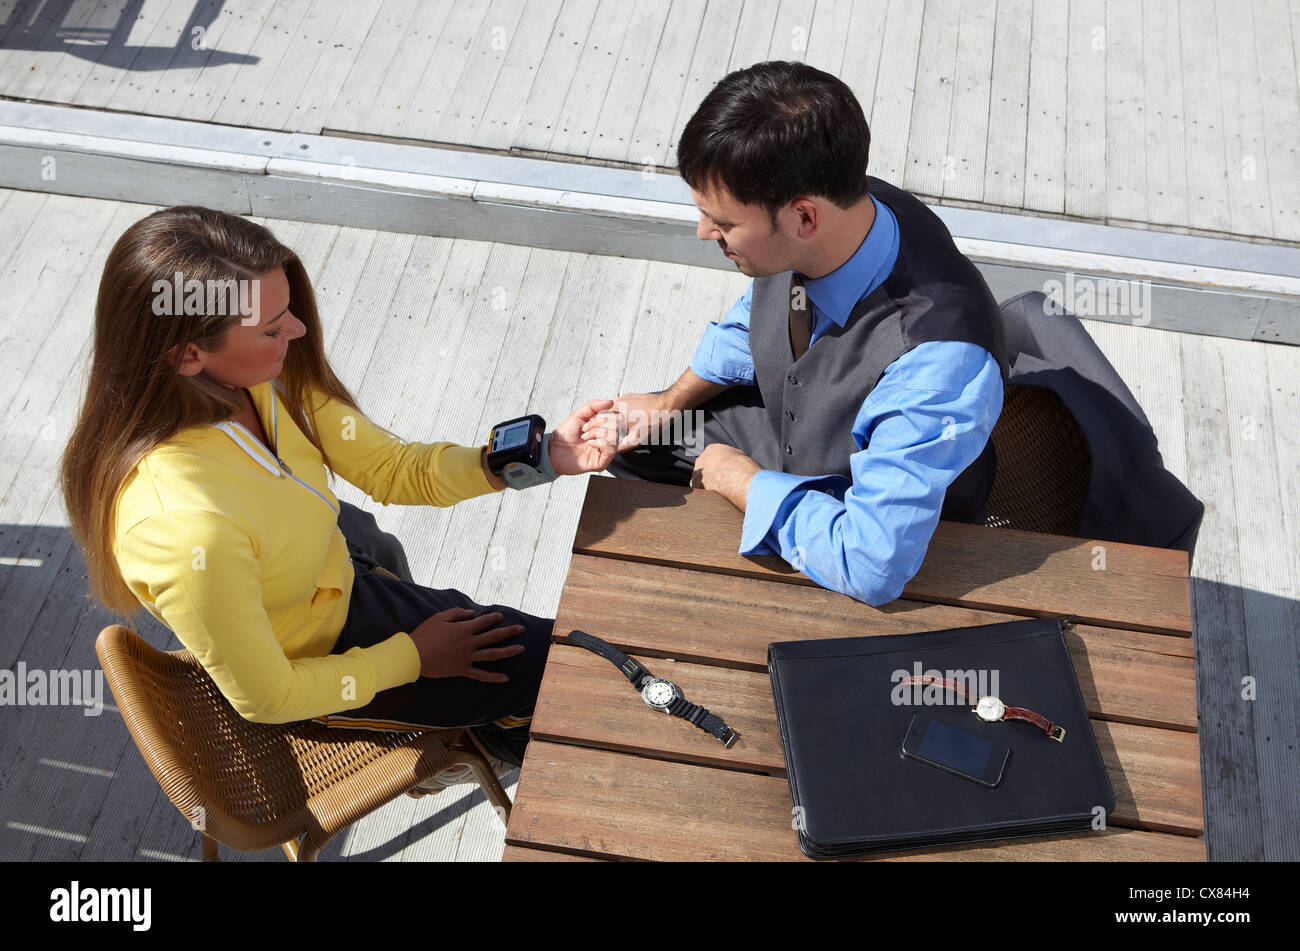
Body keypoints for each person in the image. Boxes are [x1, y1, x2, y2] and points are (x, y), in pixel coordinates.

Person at [60, 206, 615, 782]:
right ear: (188, 356)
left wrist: (537, 459)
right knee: (561, 673)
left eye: (288, 313)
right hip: (331, 662)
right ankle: (489, 749)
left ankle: (477, 723)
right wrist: (411, 658)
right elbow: (269, 698)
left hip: (339, 571)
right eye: (273, 328)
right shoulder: (184, 531)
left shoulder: (259, 384)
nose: (298, 331)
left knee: (539, 657)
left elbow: (396, 469)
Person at [584, 61, 1009, 607]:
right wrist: (668, 403)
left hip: (868, 499)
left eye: (724, 223)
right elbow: (752, 318)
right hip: (800, 433)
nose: (703, 232)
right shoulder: (842, 207)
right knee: (635, 442)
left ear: (804, 219)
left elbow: (873, 566)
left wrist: (739, 479)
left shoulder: (940, 362)